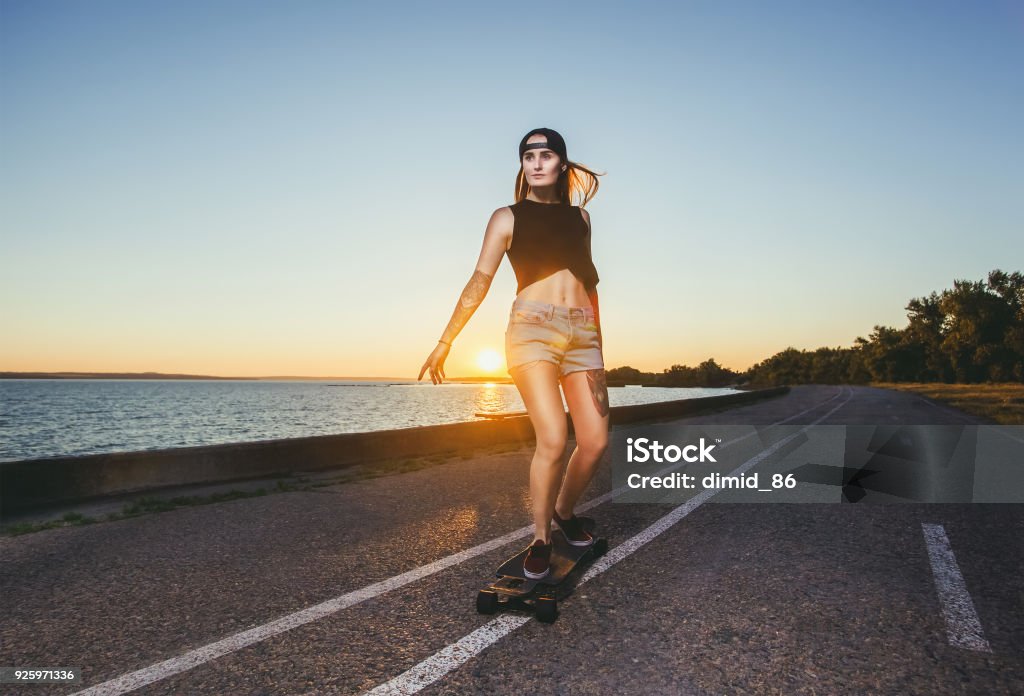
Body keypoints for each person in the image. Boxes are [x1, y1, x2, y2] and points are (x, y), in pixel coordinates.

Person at [418, 127, 609, 580]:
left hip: (584, 335)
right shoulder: (506, 217)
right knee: (552, 438)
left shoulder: (582, 219)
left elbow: (590, 283)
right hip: (532, 332)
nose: (537, 162)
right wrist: (447, 340)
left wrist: (599, 342)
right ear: (522, 165)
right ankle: (541, 539)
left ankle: (564, 512)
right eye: (528, 156)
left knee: (597, 441)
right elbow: (479, 281)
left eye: (546, 155)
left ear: (562, 163)